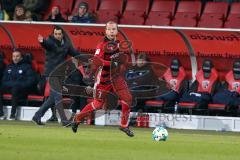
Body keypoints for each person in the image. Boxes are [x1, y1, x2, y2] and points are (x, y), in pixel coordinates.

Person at [71, 21, 134, 137]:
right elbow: (96, 61)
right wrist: (111, 64)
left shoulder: (119, 45)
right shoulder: (101, 45)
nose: (111, 31)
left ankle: (124, 126)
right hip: (103, 79)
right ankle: (77, 119)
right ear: (105, 31)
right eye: (109, 29)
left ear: (117, 31)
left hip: (116, 78)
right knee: (98, 104)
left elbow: (121, 60)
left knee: (128, 99)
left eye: (114, 29)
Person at [32, 26, 82, 126]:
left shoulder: (66, 44)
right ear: (53, 34)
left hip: (60, 73)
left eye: (59, 34)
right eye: (56, 34)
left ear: (62, 34)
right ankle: (64, 120)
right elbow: (47, 44)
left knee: (52, 98)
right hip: (51, 73)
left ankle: (37, 116)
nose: (58, 36)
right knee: (58, 97)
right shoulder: (50, 42)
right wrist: (42, 42)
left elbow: (75, 53)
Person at [0, 50, 37, 120]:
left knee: (15, 89)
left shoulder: (27, 67)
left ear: (21, 57)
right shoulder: (9, 67)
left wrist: (17, 85)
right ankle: (1, 114)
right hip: (10, 88)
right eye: (13, 56)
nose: (15, 58)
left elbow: (30, 81)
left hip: (22, 90)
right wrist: (13, 84)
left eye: (17, 56)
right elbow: (3, 81)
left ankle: (13, 114)